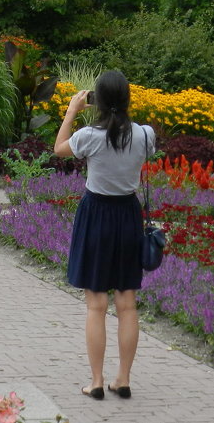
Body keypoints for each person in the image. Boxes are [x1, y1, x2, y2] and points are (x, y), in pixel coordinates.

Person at [53, 69, 155, 401]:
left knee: (96, 305)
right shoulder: (143, 134)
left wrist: (71, 112)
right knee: (127, 304)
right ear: (127, 99)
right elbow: (143, 148)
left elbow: (59, 149)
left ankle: (96, 381)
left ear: (98, 99)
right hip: (128, 215)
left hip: (96, 214)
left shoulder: (89, 136)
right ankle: (122, 379)